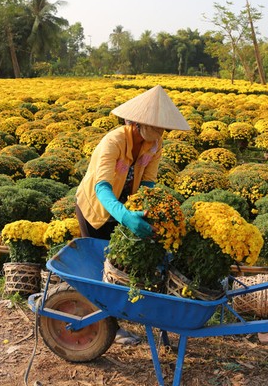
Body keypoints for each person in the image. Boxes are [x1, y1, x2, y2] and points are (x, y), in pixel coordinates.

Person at [75, 85, 190, 344]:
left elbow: (148, 181)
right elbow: (101, 187)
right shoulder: (113, 142)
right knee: (100, 268)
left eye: (162, 128)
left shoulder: (155, 144)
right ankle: (109, 328)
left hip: (127, 206)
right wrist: (124, 216)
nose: (159, 133)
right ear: (137, 123)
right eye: (154, 127)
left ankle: (121, 315)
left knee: (119, 264)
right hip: (96, 209)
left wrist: (151, 208)